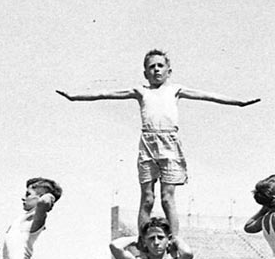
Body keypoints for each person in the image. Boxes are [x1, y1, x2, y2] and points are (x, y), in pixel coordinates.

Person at [56, 49, 260, 236]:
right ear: (145, 73)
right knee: (147, 198)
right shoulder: (141, 91)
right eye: (151, 67)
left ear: (169, 71)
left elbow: (208, 95)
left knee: (167, 197)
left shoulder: (175, 90)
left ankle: (174, 239)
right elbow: (104, 93)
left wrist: (238, 102)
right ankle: (143, 240)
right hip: (148, 142)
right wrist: (74, 97)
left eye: (160, 66)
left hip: (169, 142)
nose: (156, 70)